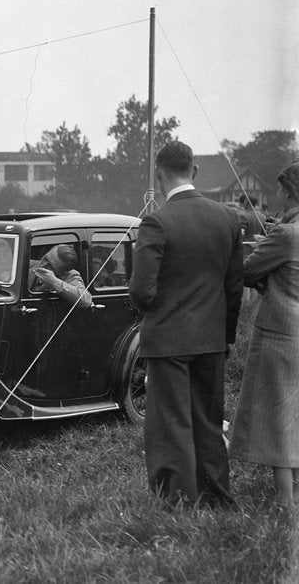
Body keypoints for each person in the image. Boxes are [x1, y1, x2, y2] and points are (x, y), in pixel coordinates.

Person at [129, 140, 243, 509]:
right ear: (194, 170)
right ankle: (216, 498)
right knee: (209, 421)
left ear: (158, 175)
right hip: (212, 339)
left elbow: (141, 292)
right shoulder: (228, 218)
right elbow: (234, 288)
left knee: (171, 425)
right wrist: (225, 336)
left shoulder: (157, 222)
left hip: (167, 341)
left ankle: (178, 503)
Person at [228, 161, 299, 507]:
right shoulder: (286, 231)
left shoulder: (285, 234)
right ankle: (294, 491)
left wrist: (262, 251)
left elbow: (247, 271)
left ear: (289, 191)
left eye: (281, 188)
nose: (277, 193)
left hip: (280, 334)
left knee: (277, 418)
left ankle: (285, 501)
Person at [31, 244, 92, 309]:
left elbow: (86, 301)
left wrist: (54, 281)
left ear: (62, 272)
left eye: (51, 266)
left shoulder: (69, 275)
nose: (43, 265)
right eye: (45, 258)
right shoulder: (28, 264)